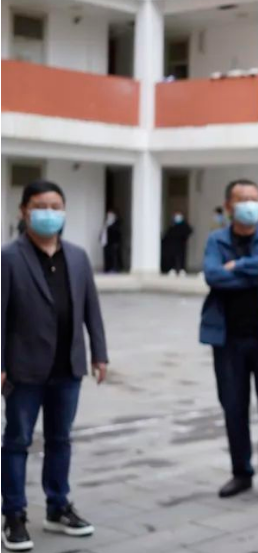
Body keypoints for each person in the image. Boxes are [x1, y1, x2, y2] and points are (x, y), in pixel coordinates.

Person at [1, 180, 108, 552]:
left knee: (61, 439)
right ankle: (14, 514)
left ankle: (57, 506)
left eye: (55, 206)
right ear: (24, 211)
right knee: (17, 441)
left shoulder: (77, 257)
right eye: (40, 206)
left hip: (68, 366)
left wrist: (99, 353)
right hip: (24, 368)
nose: (49, 213)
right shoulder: (9, 257)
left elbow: (91, 307)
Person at [200, 179, 258, 507]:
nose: (250, 205)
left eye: (254, 198)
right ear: (229, 206)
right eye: (242, 199)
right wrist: (256, 272)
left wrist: (238, 267)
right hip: (228, 339)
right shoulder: (217, 239)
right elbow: (213, 275)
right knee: (233, 409)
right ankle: (241, 472)